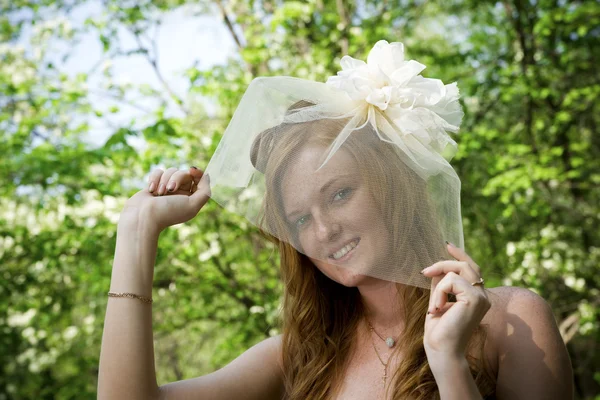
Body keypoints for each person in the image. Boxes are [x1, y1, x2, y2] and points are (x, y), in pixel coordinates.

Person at [98, 41, 574, 400]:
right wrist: (137, 232)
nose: (324, 231)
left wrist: (449, 364)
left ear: (391, 184)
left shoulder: (511, 322)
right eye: (300, 218)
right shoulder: (299, 355)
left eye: (340, 193)